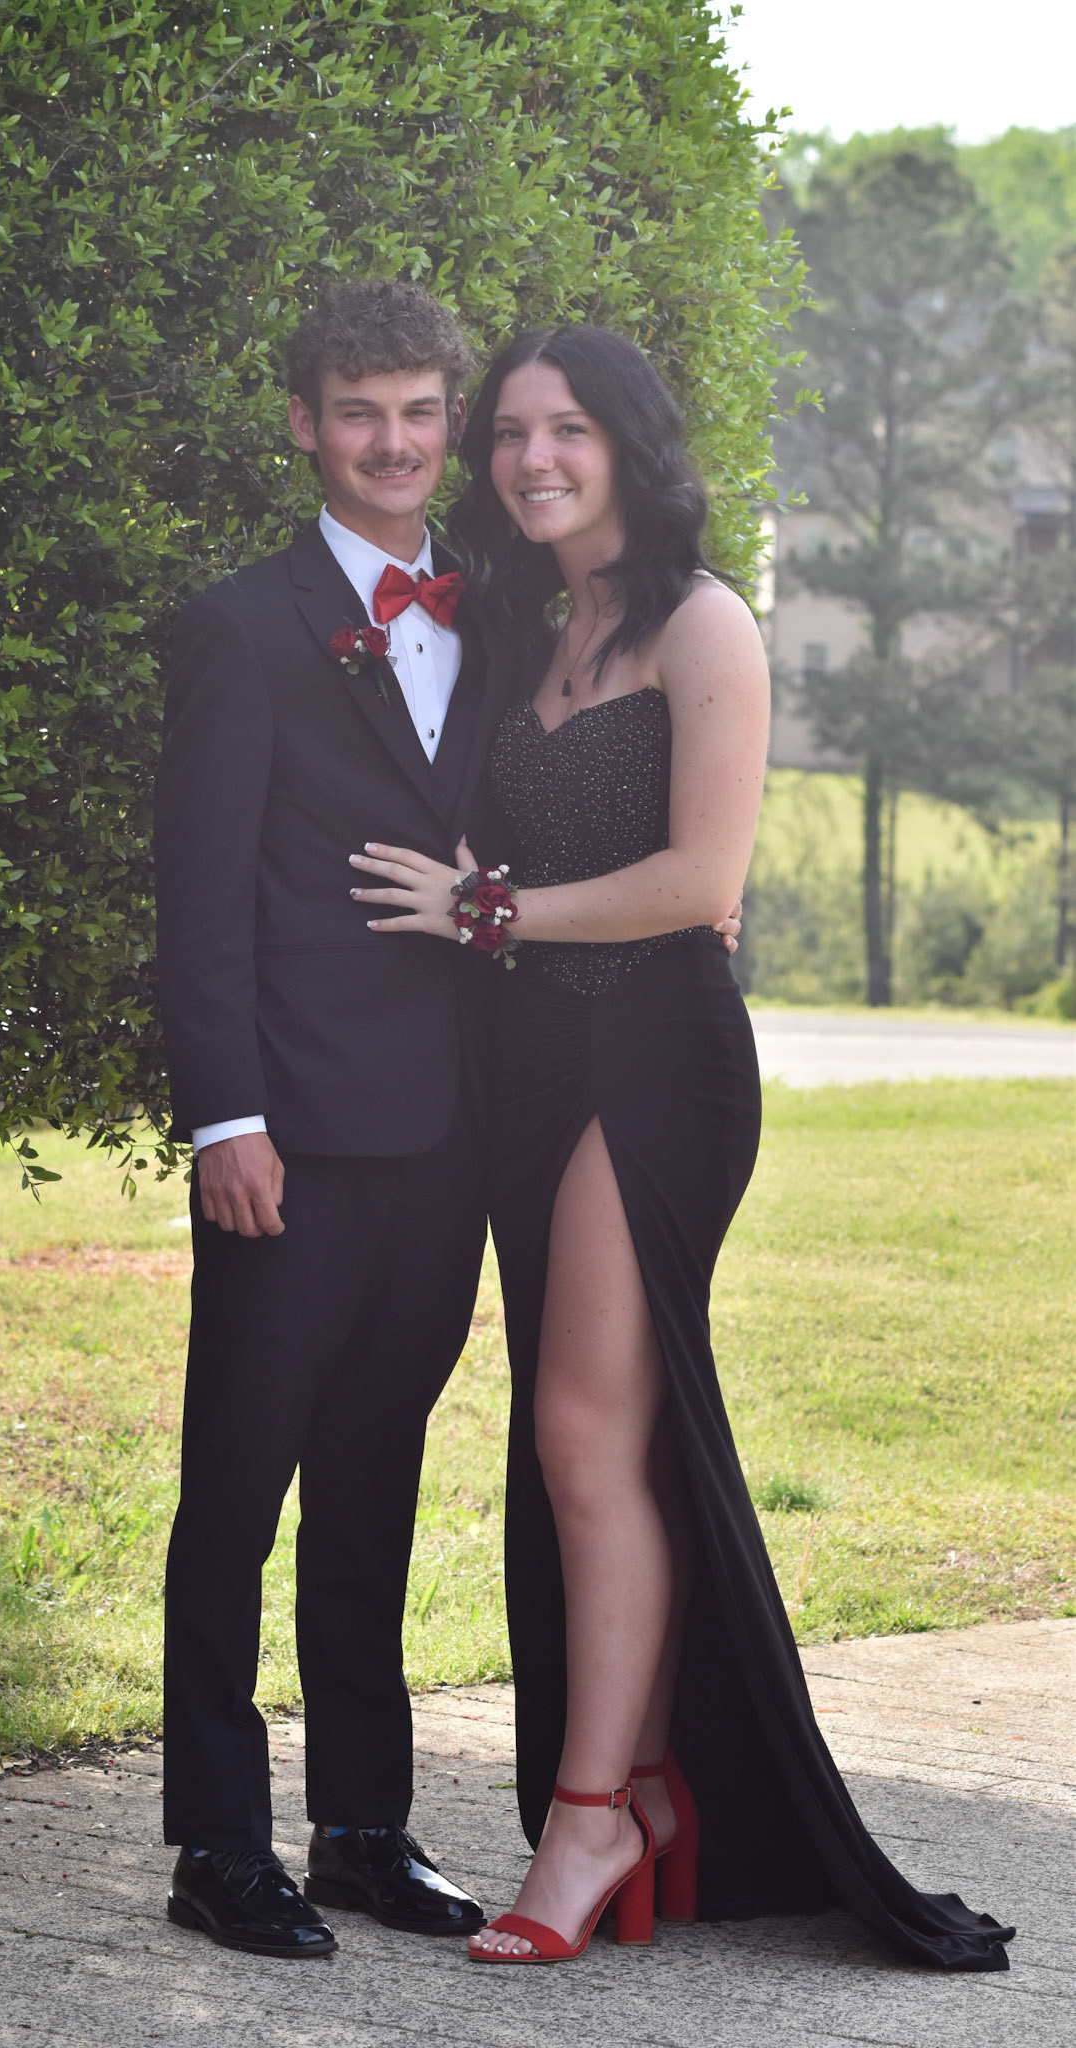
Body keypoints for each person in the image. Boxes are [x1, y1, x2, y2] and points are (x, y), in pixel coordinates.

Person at [349, 324, 1015, 1971]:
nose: (532, 459)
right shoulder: (524, 625)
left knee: (583, 1435)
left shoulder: (704, 624)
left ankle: (592, 1818)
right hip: (530, 1063)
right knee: (591, 1441)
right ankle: (641, 1787)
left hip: (654, 1055)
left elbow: (698, 882)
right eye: (511, 433)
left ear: (629, 447)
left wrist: (485, 912)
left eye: (567, 429)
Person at [153, 278, 503, 1959]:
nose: (390, 441)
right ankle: (217, 1844)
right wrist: (224, 1118)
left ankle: (363, 1826)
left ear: (451, 424)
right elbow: (200, 901)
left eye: (418, 411)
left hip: (450, 1136)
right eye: (358, 411)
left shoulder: (499, 614)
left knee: (377, 1476)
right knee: (237, 1488)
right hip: (286, 1137)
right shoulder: (239, 629)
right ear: (304, 425)